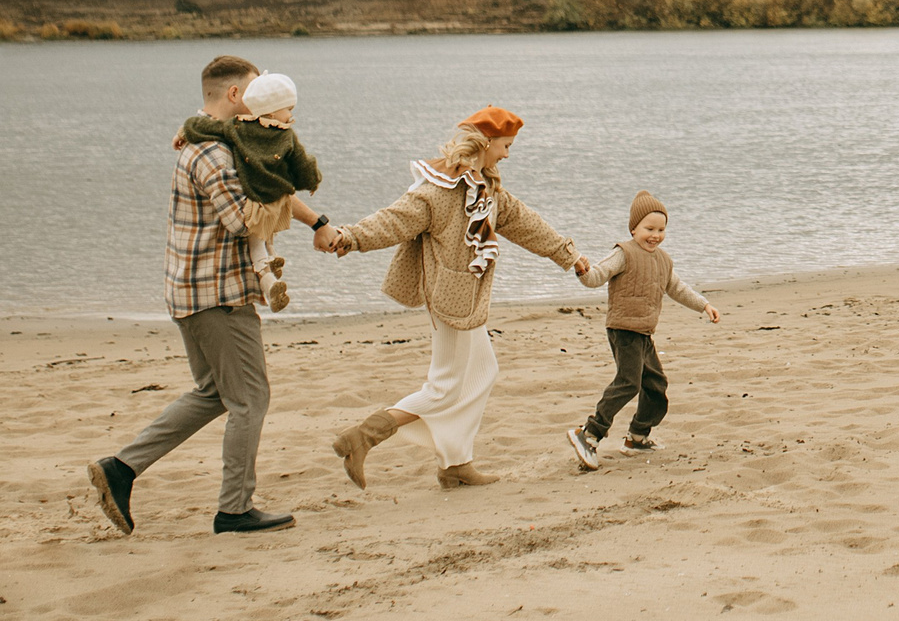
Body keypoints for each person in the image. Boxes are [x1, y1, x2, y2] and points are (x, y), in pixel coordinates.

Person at [89, 53, 341, 537]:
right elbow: (243, 218)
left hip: (191, 290)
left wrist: (319, 222)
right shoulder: (212, 153)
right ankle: (234, 510)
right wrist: (289, 185)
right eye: (253, 89)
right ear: (234, 95)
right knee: (251, 399)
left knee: (214, 394)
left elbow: (262, 188)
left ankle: (120, 470)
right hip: (217, 294)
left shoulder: (214, 136)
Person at [326, 106, 589, 489]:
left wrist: (569, 256)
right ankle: (363, 437)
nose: (507, 154)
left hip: (469, 303)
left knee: (483, 372)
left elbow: (528, 225)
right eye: (505, 145)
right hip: (449, 300)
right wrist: (349, 237)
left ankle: (455, 463)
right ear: (485, 142)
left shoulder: (488, 189)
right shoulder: (438, 189)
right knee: (444, 387)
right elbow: (393, 220)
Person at [566, 190, 719, 471]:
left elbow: (678, 289)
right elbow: (597, 276)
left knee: (656, 384)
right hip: (623, 330)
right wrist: (582, 270)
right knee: (628, 383)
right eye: (649, 229)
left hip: (644, 333)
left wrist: (703, 305)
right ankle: (588, 434)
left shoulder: (663, 260)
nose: (655, 235)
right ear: (633, 228)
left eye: (661, 230)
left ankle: (637, 436)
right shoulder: (623, 253)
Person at [177, 70, 320, 310]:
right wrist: (312, 181)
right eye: (289, 110)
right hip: (269, 202)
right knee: (260, 235)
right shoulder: (287, 137)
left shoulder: (236, 128)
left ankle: (268, 267)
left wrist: (183, 131)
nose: (291, 116)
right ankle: (268, 270)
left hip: (253, 198)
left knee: (257, 244)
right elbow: (303, 164)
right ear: (274, 112)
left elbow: (203, 128)